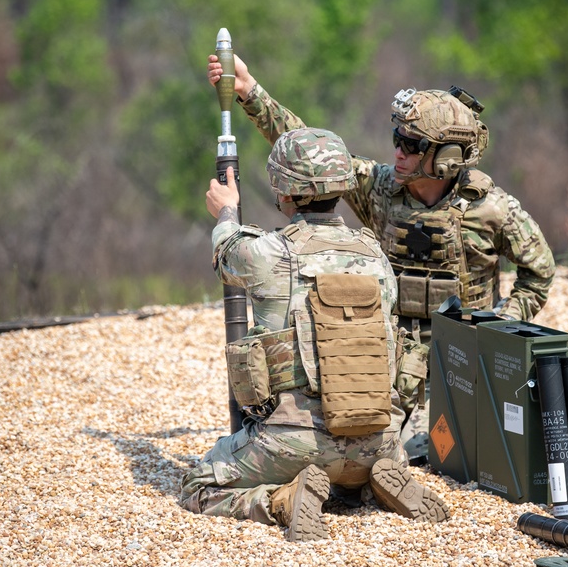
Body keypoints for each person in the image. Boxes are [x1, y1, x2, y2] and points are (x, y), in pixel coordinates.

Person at [206, 53, 557, 462]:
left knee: (429, 454)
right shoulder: (381, 188)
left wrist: (498, 327)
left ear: (446, 156)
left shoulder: (492, 209)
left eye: (412, 144)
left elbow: (539, 272)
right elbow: (316, 158)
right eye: (397, 139)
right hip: (382, 365)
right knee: (355, 446)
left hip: (458, 367)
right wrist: (250, 92)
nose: (398, 151)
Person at [178, 128, 450, 541]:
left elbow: (225, 252)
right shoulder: (374, 255)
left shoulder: (270, 253)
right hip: (379, 439)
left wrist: (226, 210)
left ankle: (282, 500)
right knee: (348, 477)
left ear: (283, 191)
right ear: (341, 187)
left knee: (199, 485)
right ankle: (370, 486)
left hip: (296, 441)